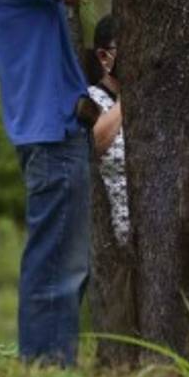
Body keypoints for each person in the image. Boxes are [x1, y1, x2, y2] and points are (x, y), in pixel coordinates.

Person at [0, 0, 121, 365]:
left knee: (64, 265)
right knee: (55, 269)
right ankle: (45, 374)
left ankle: (48, 369)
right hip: (51, 135)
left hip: (56, 134)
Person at [84, 15, 128, 244]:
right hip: (109, 244)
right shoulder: (89, 101)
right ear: (104, 56)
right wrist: (128, 98)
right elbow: (90, 145)